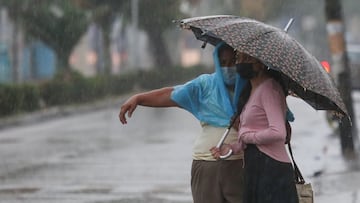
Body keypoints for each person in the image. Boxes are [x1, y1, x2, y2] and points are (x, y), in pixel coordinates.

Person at [119, 43, 247, 203]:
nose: (228, 68)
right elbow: (172, 94)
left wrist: (244, 125)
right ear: (216, 62)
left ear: (241, 61)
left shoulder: (251, 87)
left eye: (233, 62)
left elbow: (273, 125)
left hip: (239, 165)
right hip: (205, 165)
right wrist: (139, 98)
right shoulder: (205, 85)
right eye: (223, 62)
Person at [211, 52, 298, 203]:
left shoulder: (269, 89)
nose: (241, 63)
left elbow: (278, 132)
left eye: (248, 59)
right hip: (256, 168)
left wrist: (247, 136)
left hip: (272, 169)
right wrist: (231, 148)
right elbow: (251, 132)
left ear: (262, 63)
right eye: (239, 58)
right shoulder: (250, 91)